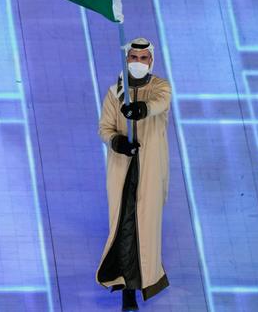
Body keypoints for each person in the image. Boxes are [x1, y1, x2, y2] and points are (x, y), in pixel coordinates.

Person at [95, 37, 171, 311]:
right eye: (133, 58)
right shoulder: (115, 92)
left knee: (146, 227)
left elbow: (159, 104)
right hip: (123, 171)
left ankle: (145, 281)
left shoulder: (160, 88)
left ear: (151, 60)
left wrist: (141, 109)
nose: (138, 63)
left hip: (149, 170)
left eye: (144, 58)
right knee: (125, 227)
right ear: (126, 60)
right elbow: (105, 128)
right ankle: (128, 289)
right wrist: (118, 142)